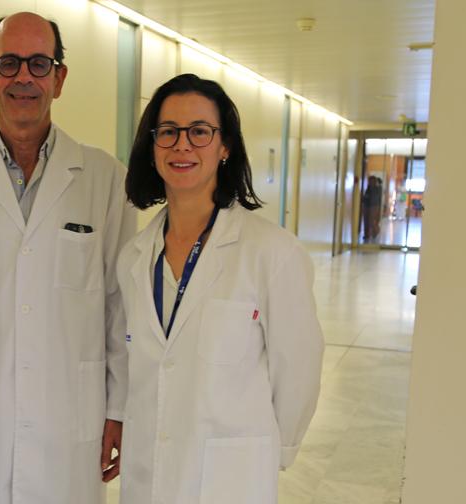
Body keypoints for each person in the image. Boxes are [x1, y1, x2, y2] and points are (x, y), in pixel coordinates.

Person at [0, 12, 136, 504]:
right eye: (9, 63)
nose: (23, 78)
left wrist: (119, 408)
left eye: (39, 64)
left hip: (71, 420)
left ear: (59, 78)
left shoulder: (105, 180)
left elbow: (121, 308)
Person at [117, 74, 324, 503]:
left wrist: (272, 449)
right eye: (168, 132)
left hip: (230, 479)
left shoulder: (271, 252)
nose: (182, 145)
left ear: (225, 146)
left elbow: (298, 367)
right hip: (148, 474)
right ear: (152, 146)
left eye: (199, 131)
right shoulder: (134, 257)